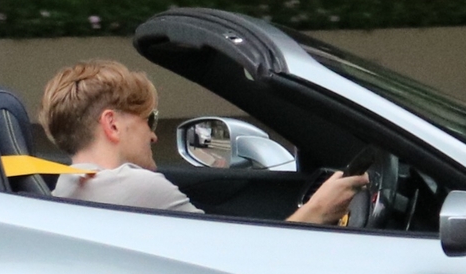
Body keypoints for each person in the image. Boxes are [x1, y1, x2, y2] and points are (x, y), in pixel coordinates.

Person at [36, 60, 369, 225]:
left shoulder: (67, 186)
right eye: (148, 120)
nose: (153, 135)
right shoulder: (135, 187)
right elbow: (233, 262)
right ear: (112, 124)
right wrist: (318, 210)